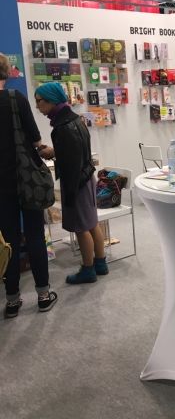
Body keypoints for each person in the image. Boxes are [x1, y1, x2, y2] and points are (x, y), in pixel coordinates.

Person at [0, 53, 58, 318]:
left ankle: (12, 300)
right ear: (7, 71)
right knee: (35, 235)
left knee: (8, 240)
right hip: (26, 179)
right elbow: (34, 138)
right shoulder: (15, 99)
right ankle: (43, 295)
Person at [34, 82, 108, 284]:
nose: (37, 106)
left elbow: (72, 162)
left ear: (51, 100)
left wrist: (53, 156)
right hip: (87, 177)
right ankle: (100, 263)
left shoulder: (62, 127)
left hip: (77, 182)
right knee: (92, 223)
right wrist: (55, 152)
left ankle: (88, 270)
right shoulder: (75, 119)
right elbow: (76, 152)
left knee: (81, 227)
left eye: (39, 101)